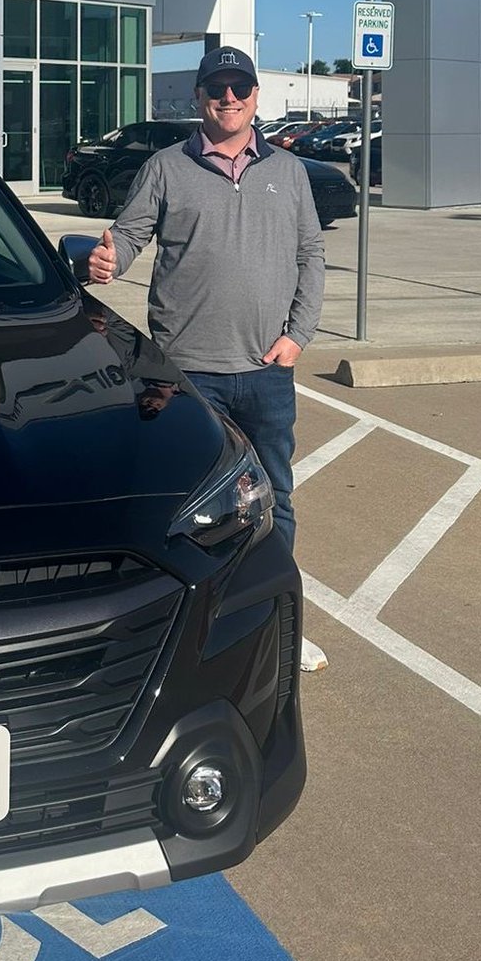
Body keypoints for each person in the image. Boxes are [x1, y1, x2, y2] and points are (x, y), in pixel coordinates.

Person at [88, 44, 328, 671]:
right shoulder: (166, 167)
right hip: (185, 373)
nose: (229, 98)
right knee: (186, 506)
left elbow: (310, 255)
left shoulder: (289, 171)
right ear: (198, 97)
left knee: (274, 497)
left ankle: (276, 621)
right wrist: (107, 259)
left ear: (255, 97)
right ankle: (190, 631)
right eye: (216, 88)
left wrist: (297, 337)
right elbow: (130, 235)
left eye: (239, 88)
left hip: (266, 371)